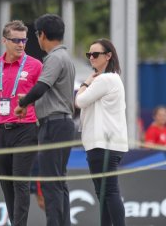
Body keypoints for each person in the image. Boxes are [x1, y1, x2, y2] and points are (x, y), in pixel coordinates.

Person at [14, 14, 75, 226]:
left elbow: (41, 87)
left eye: (37, 35)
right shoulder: (66, 57)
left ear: (43, 35)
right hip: (62, 123)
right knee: (58, 181)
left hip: (54, 124)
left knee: (50, 182)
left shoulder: (55, 58)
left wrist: (23, 104)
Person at [0, 20, 42, 226]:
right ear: (4, 41)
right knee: (6, 183)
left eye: (23, 40)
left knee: (20, 182)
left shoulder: (35, 65)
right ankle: (15, 221)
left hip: (26, 129)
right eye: (15, 40)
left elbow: (43, 97)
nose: (20, 44)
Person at [75, 38, 128, 226]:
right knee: (104, 193)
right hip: (105, 143)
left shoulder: (105, 79)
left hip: (103, 144)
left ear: (108, 56)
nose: (91, 58)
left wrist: (86, 82)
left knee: (109, 192)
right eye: (89, 54)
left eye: (95, 54)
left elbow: (79, 101)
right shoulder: (110, 79)